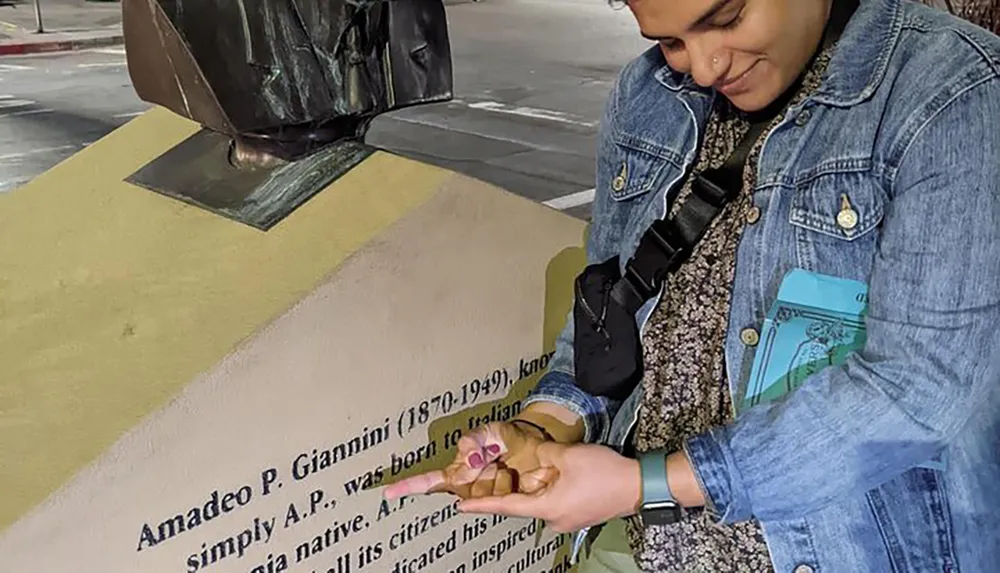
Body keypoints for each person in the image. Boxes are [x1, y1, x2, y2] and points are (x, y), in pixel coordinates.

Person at [384, 0, 1000, 571]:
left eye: (727, 19)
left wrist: (649, 485)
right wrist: (547, 428)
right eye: (671, 40)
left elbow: (916, 388)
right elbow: (607, 319)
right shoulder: (649, 94)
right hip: (648, 543)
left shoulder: (950, 92)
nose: (705, 68)